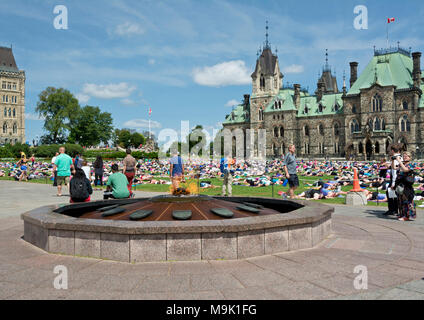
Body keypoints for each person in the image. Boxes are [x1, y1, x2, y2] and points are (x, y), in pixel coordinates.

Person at [395, 151, 416, 221]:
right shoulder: (402, 164)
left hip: (407, 185)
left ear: (410, 157)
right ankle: (402, 214)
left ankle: (407, 216)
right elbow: (394, 168)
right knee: (400, 200)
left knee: (406, 200)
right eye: (404, 156)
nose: (404, 157)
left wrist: (399, 161)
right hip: (400, 184)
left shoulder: (412, 164)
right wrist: (393, 160)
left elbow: (405, 170)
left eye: (406, 156)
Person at [384, 144, 401, 216]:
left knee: (391, 195)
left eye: (390, 150)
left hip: (395, 180)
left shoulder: (396, 159)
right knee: (394, 195)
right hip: (397, 180)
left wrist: (393, 183)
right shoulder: (399, 157)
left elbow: (395, 173)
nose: (389, 152)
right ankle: (395, 210)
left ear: (392, 151)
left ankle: (392, 210)